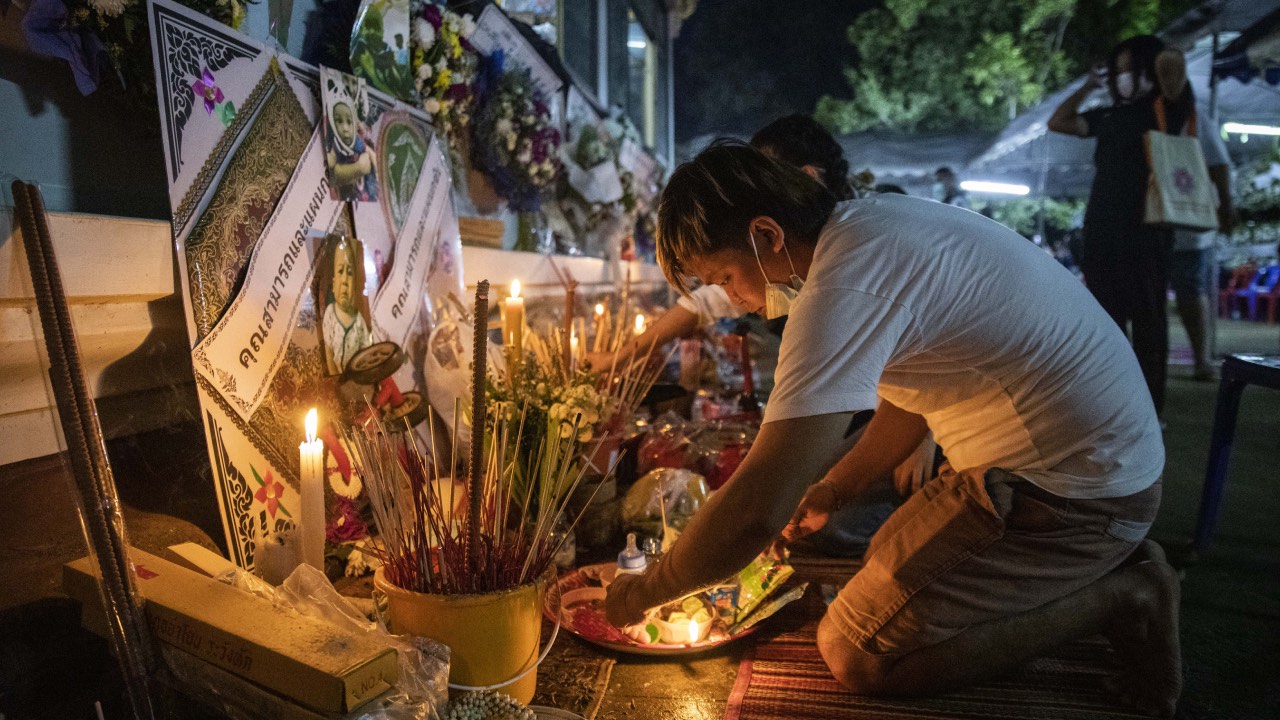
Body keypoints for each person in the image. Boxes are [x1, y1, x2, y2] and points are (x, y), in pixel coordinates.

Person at [604, 141, 1180, 716]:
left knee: (857, 652)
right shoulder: (867, 228)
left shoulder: (842, 284)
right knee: (880, 558)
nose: (733, 300)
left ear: (767, 235)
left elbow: (758, 503)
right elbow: (911, 401)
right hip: (1077, 464)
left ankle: (1125, 594)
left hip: (1078, 492)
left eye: (727, 277)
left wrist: (649, 590)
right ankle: (1092, 567)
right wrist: (834, 489)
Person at [1047, 35, 1228, 418]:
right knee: (1105, 321)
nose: (1124, 77)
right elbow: (1058, 121)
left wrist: (1161, 59)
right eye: (1119, 71)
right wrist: (1089, 85)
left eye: (1132, 69)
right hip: (1101, 229)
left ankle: (1148, 410)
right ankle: (1111, 404)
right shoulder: (1109, 115)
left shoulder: (1168, 108)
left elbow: (1173, 72)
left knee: (1148, 322)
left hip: (1147, 230)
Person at [587, 114, 854, 368]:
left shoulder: (851, 263)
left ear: (807, 177)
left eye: (766, 179)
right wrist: (617, 359)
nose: (751, 195)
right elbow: (705, 301)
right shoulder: (806, 258)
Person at [1170, 129, 1233, 381]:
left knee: (1191, 290)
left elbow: (1219, 163)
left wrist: (1225, 205)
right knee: (1189, 290)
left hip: (1188, 222)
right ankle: (1200, 360)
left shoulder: (1194, 117)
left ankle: (1201, 359)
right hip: (1164, 225)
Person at [322, 237, 372, 374]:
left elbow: (367, 353)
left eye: (349, 273)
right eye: (340, 271)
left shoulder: (359, 321)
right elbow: (329, 354)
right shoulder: (330, 314)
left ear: (354, 287)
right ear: (334, 285)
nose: (344, 280)